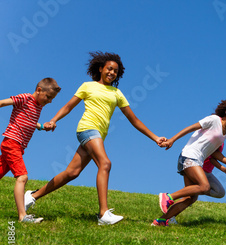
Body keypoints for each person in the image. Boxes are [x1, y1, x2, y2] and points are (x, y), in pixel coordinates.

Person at [24, 51, 166, 225]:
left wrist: (155, 137)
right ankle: (103, 214)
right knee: (105, 163)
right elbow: (69, 106)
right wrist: (53, 120)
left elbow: (134, 120)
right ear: (100, 69)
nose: (111, 73)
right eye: (109, 69)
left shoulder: (117, 93)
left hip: (97, 135)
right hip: (87, 129)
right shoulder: (87, 86)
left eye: (115, 71)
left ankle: (31, 196)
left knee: (72, 173)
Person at [152, 98, 226, 227]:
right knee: (205, 186)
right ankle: (168, 196)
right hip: (189, 156)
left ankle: (161, 221)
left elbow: (214, 152)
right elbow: (191, 128)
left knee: (191, 198)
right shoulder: (214, 120)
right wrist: (172, 140)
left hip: (197, 160)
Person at [0, 78, 61, 223]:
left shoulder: (38, 106)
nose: (50, 101)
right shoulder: (25, 98)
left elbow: (29, 121)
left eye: (52, 99)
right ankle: (22, 216)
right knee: (22, 177)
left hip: (18, 147)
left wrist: (42, 126)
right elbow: (2, 103)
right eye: (48, 97)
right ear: (39, 90)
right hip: (11, 142)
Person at [167, 124, 226, 225]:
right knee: (191, 197)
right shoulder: (216, 137)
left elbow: (212, 157)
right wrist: (224, 165)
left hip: (206, 172)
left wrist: (224, 169)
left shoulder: (221, 140)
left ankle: (167, 216)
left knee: (216, 193)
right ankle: (168, 209)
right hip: (197, 168)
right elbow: (211, 156)